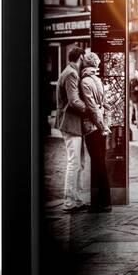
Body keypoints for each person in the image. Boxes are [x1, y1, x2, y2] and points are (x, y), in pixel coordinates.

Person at [55, 46, 87, 212]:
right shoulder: (71, 74)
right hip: (70, 123)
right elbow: (74, 101)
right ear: (80, 57)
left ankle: (77, 200)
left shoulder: (69, 72)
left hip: (73, 124)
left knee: (79, 163)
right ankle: (69, 202)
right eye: (84, 57)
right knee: (74, 162)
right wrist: (89, 109)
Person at [80, 52, 112, 213]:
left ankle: (104, 202)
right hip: (100, 128)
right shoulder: (97, 80)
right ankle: (103, 201)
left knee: (98, 164)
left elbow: (92, 108)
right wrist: (106, 124)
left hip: (92, 128)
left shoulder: (85, 81)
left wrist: (101, 125)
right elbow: (105, 105)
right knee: (101, 163)